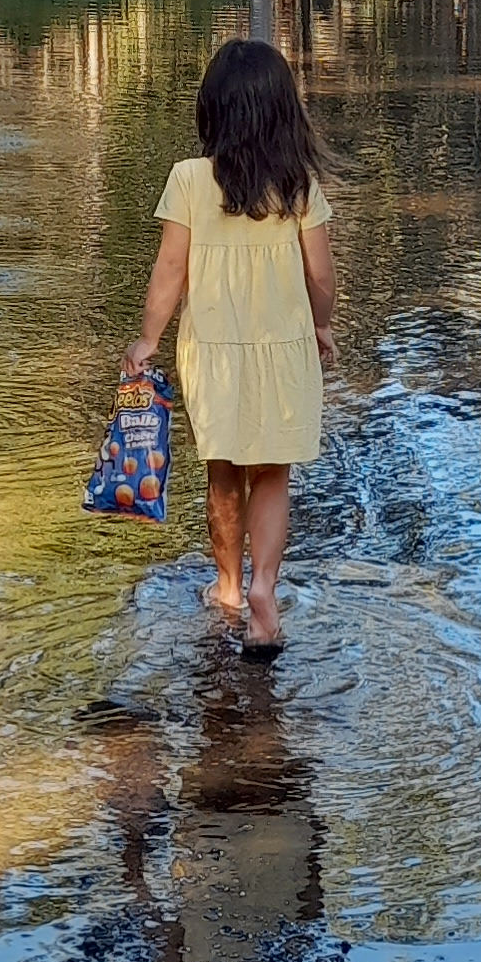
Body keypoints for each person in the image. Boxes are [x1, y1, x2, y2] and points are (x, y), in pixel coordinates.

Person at [131, 37, 336, 660]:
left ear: (213, 109)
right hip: (284, 348)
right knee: (272, 472)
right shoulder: (299, 186)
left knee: (223, 472)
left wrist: (148, 339)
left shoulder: (190, 180)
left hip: (213, 353)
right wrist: (322, 325)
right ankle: (264, 590)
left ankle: (226, 589)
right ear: (284, 110)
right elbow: (321, 275)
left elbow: (170, 271)